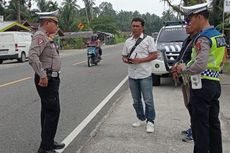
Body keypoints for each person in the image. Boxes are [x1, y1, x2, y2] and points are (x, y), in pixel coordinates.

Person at [176, 3, 225, 153]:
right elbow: (221, 62)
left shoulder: (203, 38)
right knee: (213, 125)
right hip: (214, 84)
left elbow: (200, 64)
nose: (189, 23)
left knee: (200, 127)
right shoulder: (218, 35)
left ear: (199, 17)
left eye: (190, 19)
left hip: (201, 85)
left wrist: (184, 69)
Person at [28, 10, 65, 153]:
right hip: (46, 79)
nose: (57, 26)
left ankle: (48, 141)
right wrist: (42, 75)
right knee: (53, 111)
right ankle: (45, 147)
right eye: (55, 23)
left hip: (51, 78)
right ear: (48, 22)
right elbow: (32, 56)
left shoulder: (46, 37)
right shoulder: (40, 36)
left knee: (47, 111)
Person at [122, 17, 158, 133]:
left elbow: (154, 55)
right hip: (132, 75)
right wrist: (126, 60)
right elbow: (123, 56)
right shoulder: (128, 41)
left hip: (145, 74)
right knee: (136, 100)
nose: (135, 28)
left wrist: (140, 60)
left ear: (142, 28)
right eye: (133, 26)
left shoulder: (149, 40)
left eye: (138, 26)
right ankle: (141, 118)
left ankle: (150, 121)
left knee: (148, 100)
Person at [171, 22, 199, 142]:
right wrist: (175, 66)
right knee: (188, 103)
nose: (186, 27)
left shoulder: (198, 40)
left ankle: (196, 130)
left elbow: (195, 60)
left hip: (193, 77)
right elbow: (181, 55)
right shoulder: (188, 40)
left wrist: (181, 67)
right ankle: (193, 126)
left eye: (189, 24)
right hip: (184, 77)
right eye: (186, 25)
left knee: (194, 105)